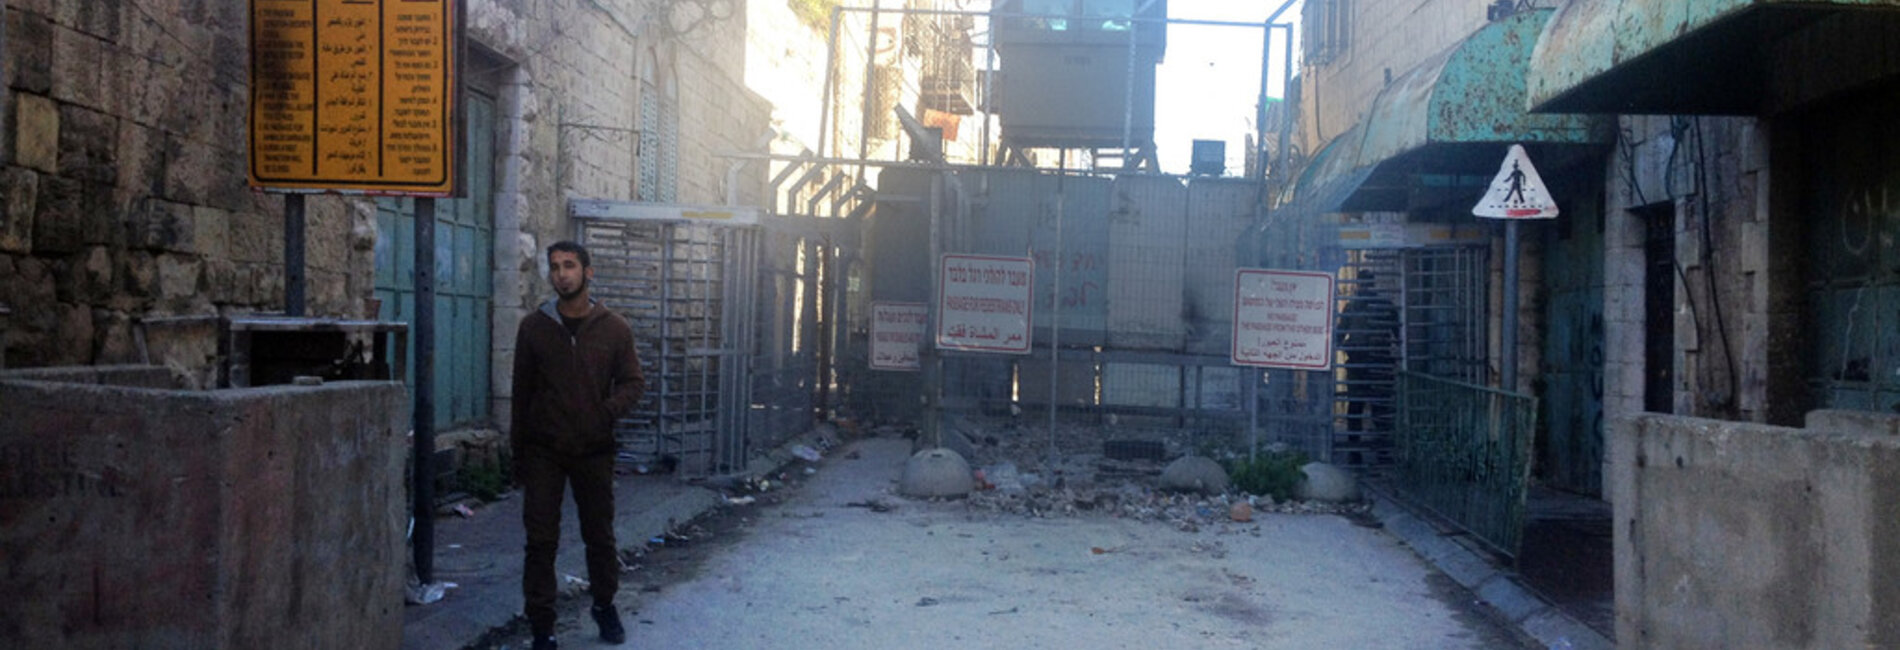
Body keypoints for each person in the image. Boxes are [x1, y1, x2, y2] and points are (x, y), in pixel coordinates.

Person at [511, 240, 645, 649]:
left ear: (588, 272)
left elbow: (633, 382)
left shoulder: (613, 328)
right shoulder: (534, 328)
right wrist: (520, 454)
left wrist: (605, 413)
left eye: (569, 266)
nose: (561, 274)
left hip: (593, 449)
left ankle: (605, 606)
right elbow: (522, 394)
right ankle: (542, 625)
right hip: (544, 451)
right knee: (540, 540)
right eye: (554, 267)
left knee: (599, 536)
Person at [1338, 272, 1398, 433]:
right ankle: (1380, 448)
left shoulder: (1351, 307)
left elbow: (1339, 334)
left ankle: (1355, 450)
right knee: (1379, 406)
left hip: (1360, 362)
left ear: (1357, 284)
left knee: (1356, 406)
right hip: (1379, 361)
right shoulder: (1385, 305)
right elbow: (1398, 333)